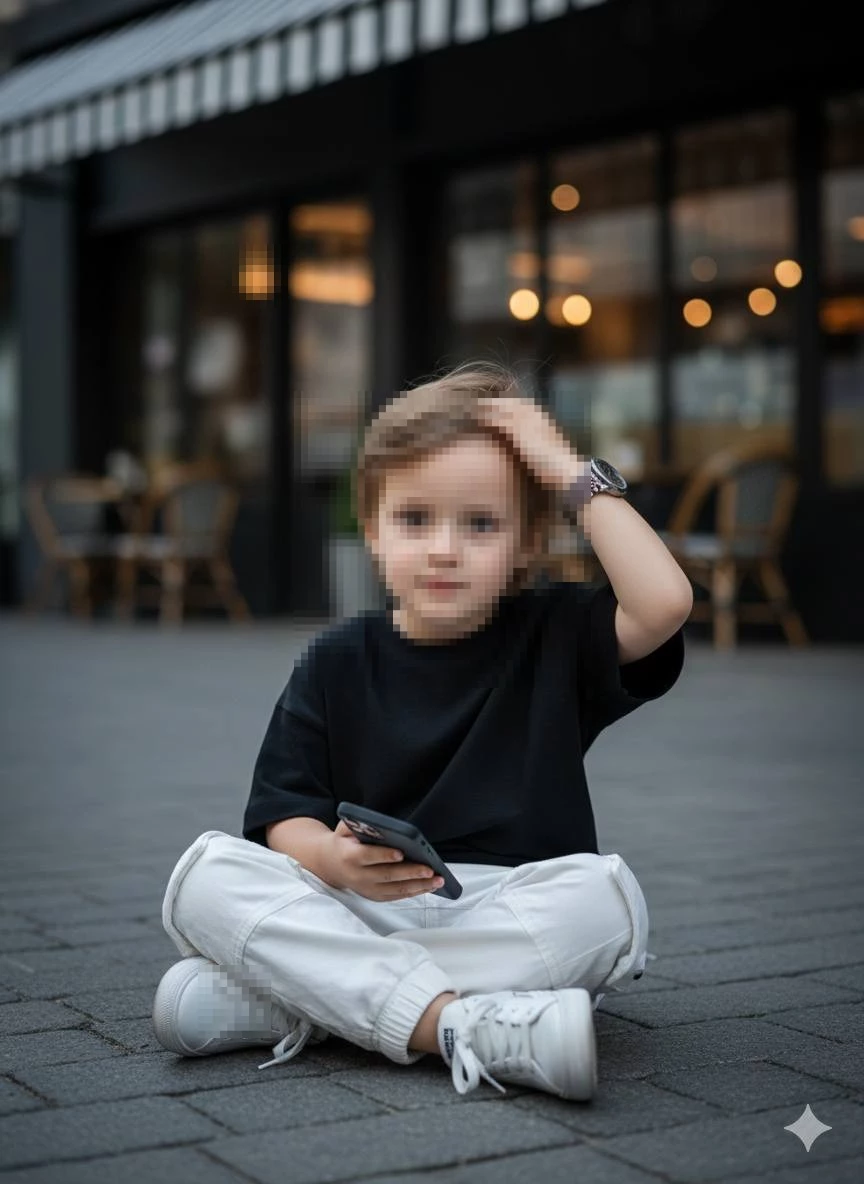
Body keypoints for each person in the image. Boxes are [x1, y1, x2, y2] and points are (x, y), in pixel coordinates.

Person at [152, 361, 692, 1101]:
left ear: (528, 544)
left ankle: (302, 1000)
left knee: (606, 901)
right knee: (206, 876)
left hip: (504, 903)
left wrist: (563, 466)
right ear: (372, 531)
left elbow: (664, 602)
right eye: (415, 520)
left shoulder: (558, 633)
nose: (444, 548)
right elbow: (283, 815)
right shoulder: (335, 660)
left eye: (480, 523)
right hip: (360, 906)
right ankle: (462, 1026)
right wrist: (332, 862)